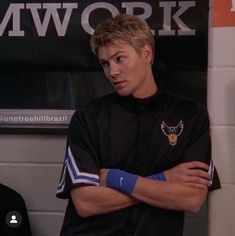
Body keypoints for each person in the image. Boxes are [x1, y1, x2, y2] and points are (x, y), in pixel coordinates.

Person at [56, 14, 220, 236]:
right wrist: (163, 179)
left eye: (119, 59)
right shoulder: (88, 117)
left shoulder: (190, 115)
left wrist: (115, 179)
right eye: (105, 63)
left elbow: (191, 199)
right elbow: (86, 202)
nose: (112, 72)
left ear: (146, 54)